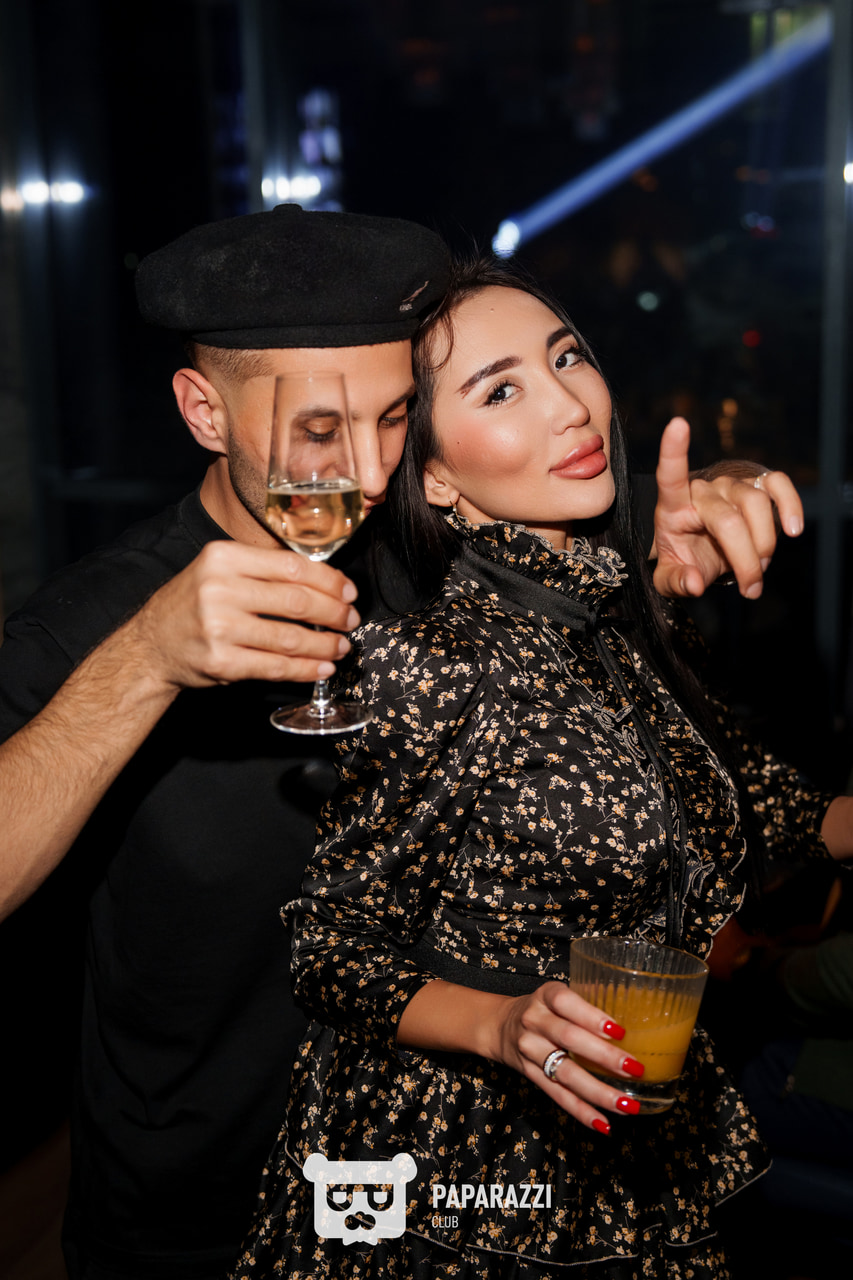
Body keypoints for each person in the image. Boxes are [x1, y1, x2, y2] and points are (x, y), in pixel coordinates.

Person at [0, 208, 804, 1280]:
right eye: (320, 429)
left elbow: (590, 572)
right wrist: (143, 661)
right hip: (204, 1197)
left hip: (425, 1189)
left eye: (391, 418)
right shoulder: (86, 622)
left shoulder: (428, 558)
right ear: (203, 410)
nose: (370, 470)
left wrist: (708, 496)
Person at [230, 256, 853, 1279]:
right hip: (463, 1163)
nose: (570, 404)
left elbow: (753, 799)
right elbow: (327, 946)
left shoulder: (621, 613)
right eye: (500, 390)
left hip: (633, 1135)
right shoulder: (437, 660)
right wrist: (503, 1024)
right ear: (435, 474)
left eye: (566, 358)